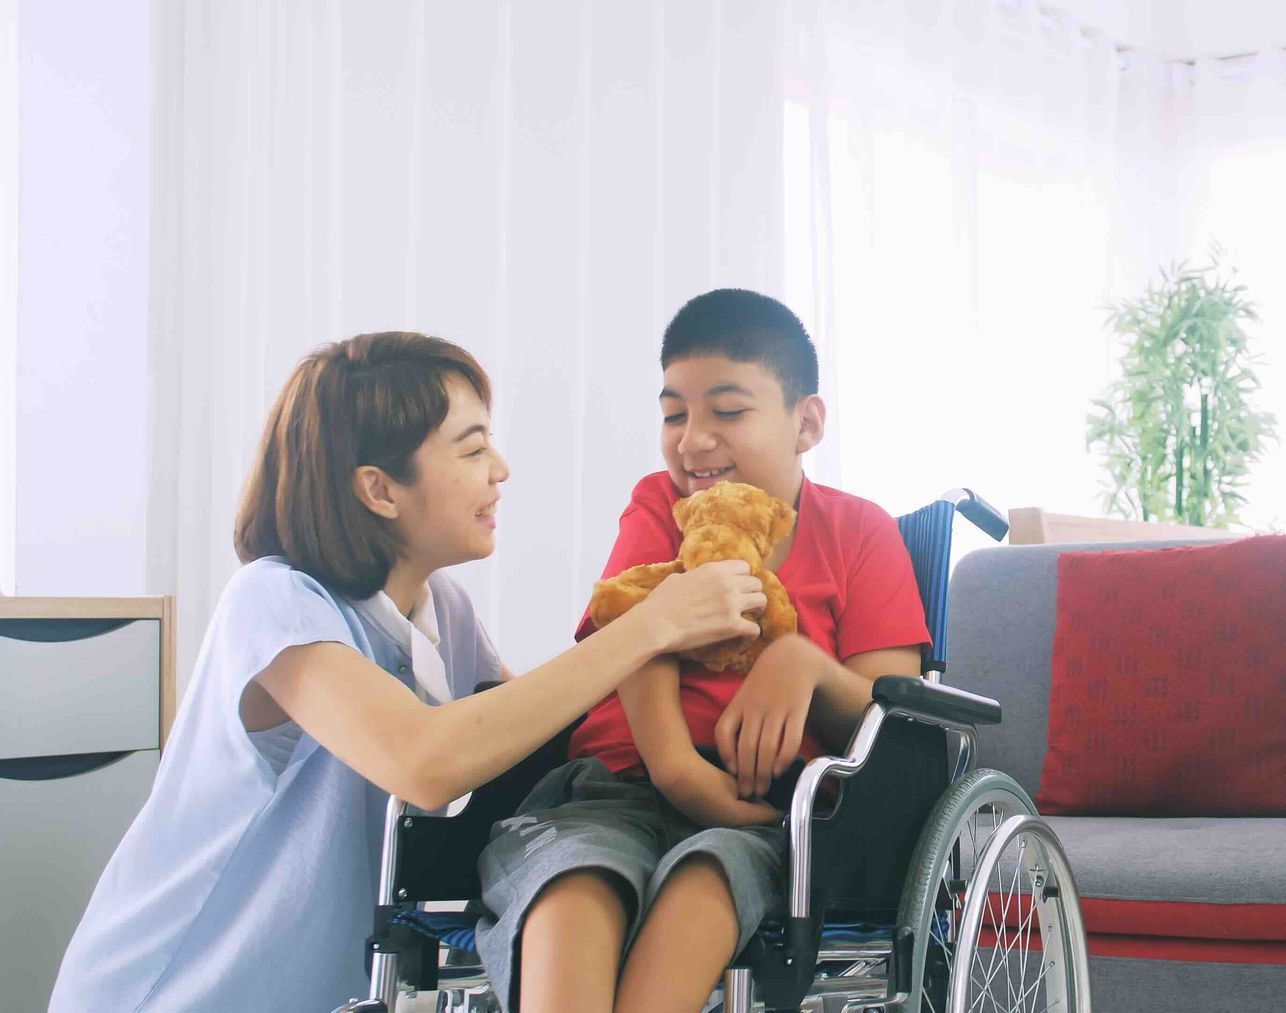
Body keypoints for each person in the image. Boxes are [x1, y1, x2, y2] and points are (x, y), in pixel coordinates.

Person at [49, 332, 765, 1012]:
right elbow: (426, 760)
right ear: (379, 489)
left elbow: (525, 737)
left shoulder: (438, 607)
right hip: (172, 991)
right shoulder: (275, 603)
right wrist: (649, 624)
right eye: (473, 447)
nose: (501, 470)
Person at [478, 290, 932, 1013]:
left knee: (708, 880)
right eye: (673, 413)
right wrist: (678, 770)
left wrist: (805, 664)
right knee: (573, 881)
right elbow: (633, 633)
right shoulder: (660, 505)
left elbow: (895, 725)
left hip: (766, 813)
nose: (692, 439)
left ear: (805, 422)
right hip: (617, 785)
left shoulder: (860, 533)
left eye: (727, 411)